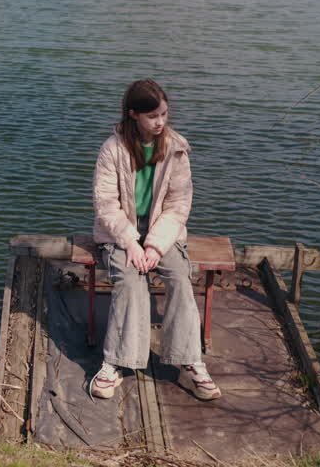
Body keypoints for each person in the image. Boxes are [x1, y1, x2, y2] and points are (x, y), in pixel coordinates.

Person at [87, 78, 221, 401]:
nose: (160, 122)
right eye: (152, 116)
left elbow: (178, 206)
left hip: (164, 232)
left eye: (163, 114)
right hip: (121, 233)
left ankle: (190, 362)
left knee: (179, 276)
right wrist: (132, 243)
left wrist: (155, 245)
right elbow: (105, 204)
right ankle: (116, 363)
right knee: (129, 279)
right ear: (133, 115)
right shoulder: (112, 149)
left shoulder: (176, 149)